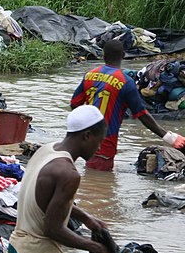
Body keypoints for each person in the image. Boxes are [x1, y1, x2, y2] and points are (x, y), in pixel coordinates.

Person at [9, 106, 112, 253]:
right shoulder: (69, 173)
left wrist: (85, 217)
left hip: (17, 251)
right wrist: (96, 248)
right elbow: (52, 229)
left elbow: (47, 200)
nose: (99, 148)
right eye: (98, 141)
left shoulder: (47, 151)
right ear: (87, 136)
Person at [70, 39, 185, 171]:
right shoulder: (126, 82)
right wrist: (171, 137)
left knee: (90, 174)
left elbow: (74, 104)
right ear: (124, 55)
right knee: (98, 184)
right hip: (105, 140)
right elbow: (142, 115)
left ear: (103, 55)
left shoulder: (90, 75)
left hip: (84, 139)